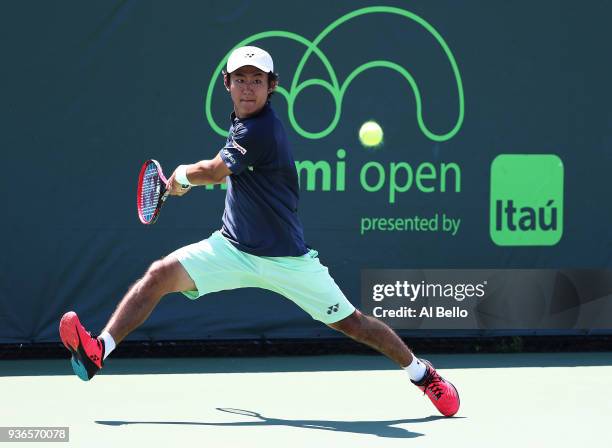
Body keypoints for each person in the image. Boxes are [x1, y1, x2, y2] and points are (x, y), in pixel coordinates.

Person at [59, 46, 460, 417]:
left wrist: (180, 175)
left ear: (272, 87)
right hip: (231, 249)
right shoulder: (241, 124)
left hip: (287, 260)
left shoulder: (261, 130)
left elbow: (215, 171)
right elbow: (222, 169)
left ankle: (423, 374)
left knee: (352, 324)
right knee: (159, 274)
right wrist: (186, 181)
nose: (248, 88)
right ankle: (98, 352)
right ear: (227, 84)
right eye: (240, 79)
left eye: (257, 80)